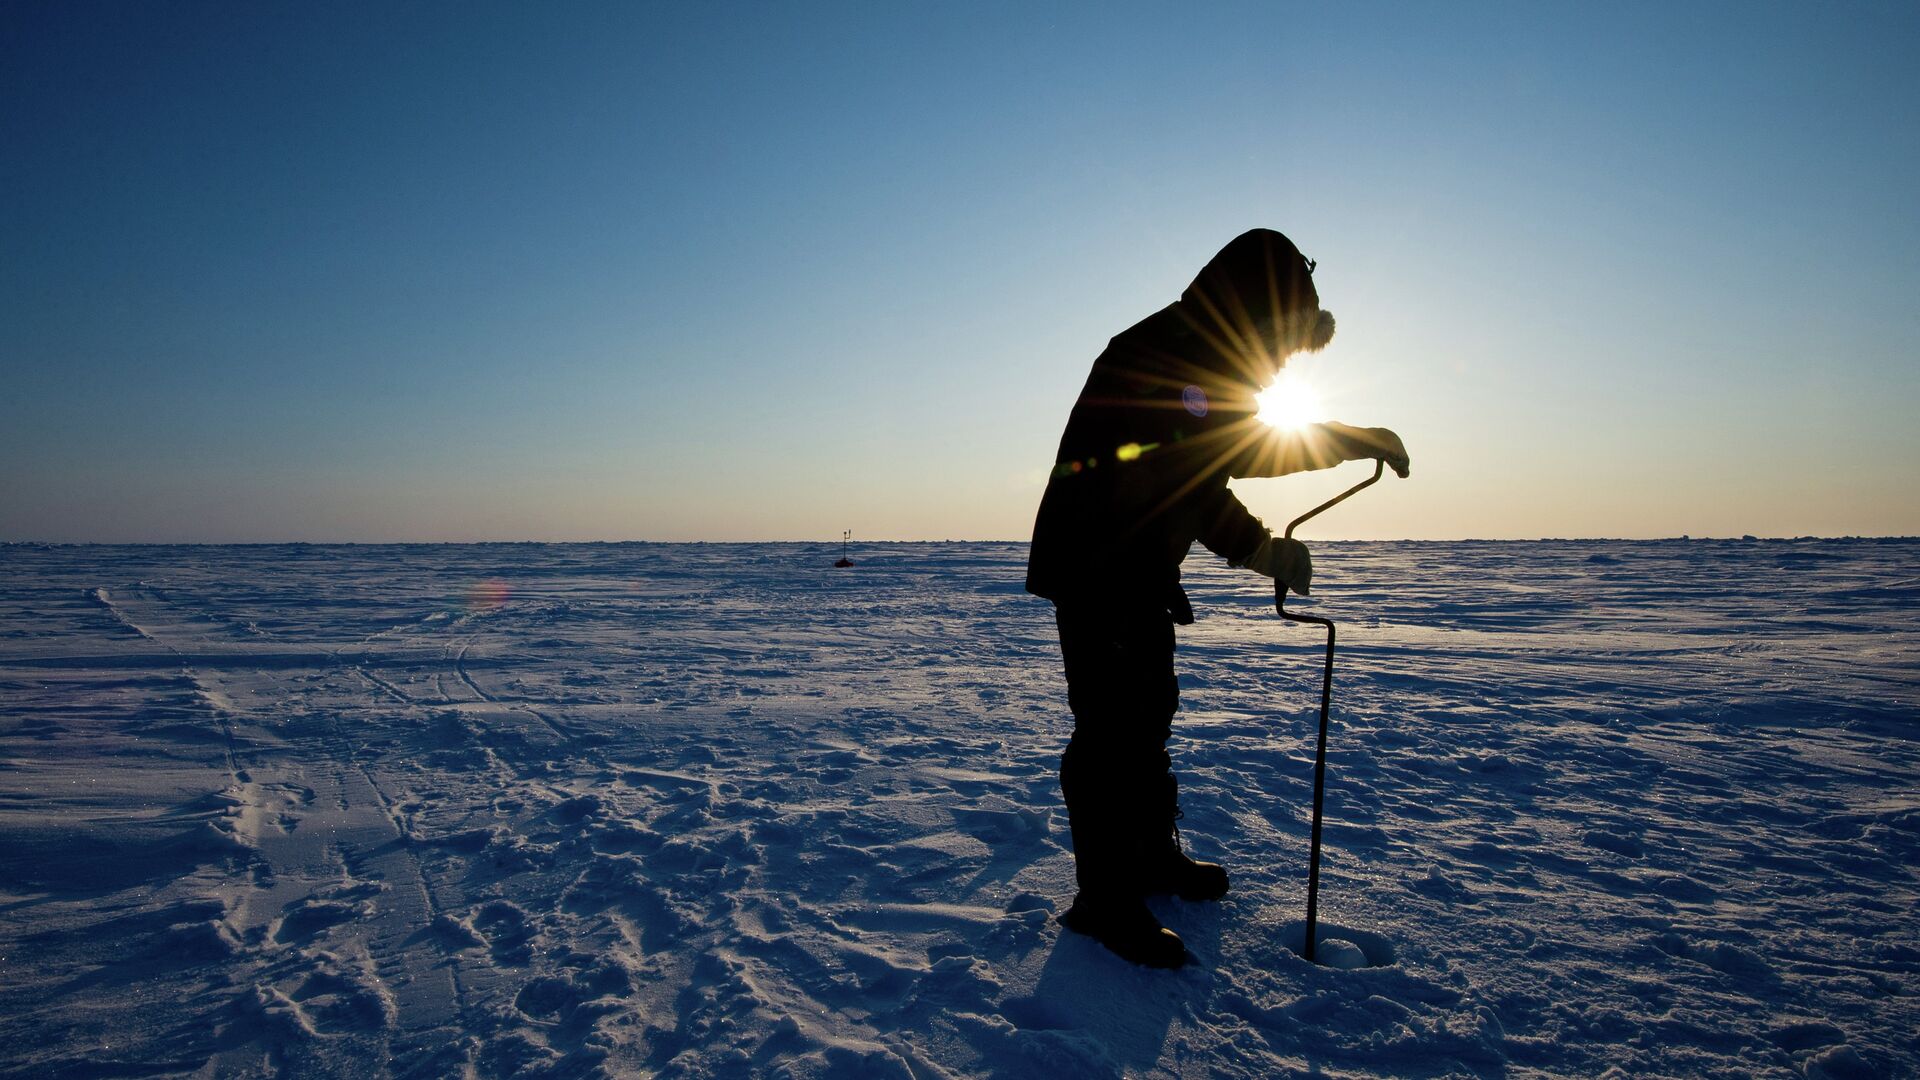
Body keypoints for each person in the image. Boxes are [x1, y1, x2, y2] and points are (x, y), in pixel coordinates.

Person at [1026, 228, 1410, 968]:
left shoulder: (1199, 353)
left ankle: (1145, 857)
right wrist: (1271, 537)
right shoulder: (1162, 355)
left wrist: (1342, 444)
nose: (1276, 363)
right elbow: (1212, 469)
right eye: (1278, 342)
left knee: (1147, 717)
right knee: (1110, 733)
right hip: (1095, 570)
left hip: (1137, 572)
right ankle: (1103, 899)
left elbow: (1217, 459)